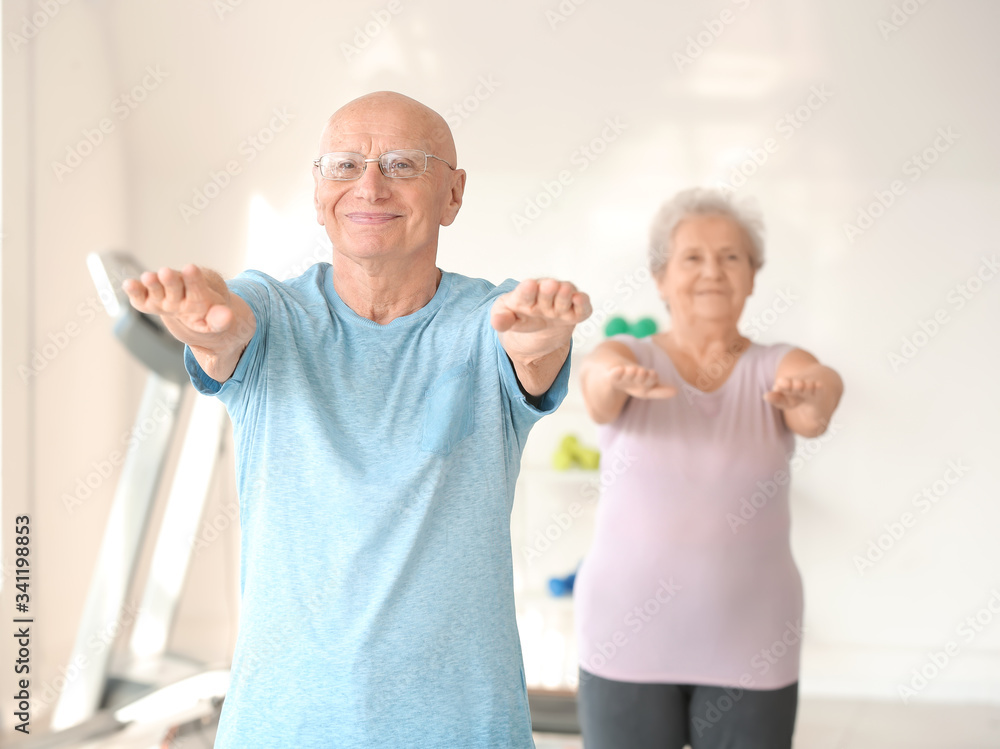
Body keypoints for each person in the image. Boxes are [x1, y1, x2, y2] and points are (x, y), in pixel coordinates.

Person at [122, 91, 591, 749]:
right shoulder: (270, 311)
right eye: (343, 166)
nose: (369, 185)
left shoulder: (492, 323)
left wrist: (545, 341)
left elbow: (531, 356)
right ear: (319, 193)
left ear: (453, 194)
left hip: (460, 729)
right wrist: (201, 326)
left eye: (403, 164)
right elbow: (228, 334)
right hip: (284, 729)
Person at [573, 187, 843, 749]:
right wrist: (613, 380)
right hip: (626, 632)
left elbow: (817, 399)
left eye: (731, 257)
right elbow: (598, 382)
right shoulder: (630, 355)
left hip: (752, 637)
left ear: (752, 276)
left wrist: (811, 395)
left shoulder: (777, 365)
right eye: (692, 257)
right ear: (660, 277)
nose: (712, 271)